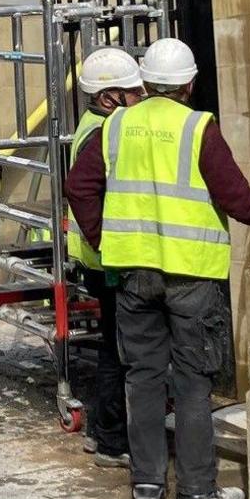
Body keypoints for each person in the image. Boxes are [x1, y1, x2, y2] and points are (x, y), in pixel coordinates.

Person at [65, 37, 250, 499]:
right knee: (191, 384)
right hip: (191, 276)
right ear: (190, 83)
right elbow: (237, 200)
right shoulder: (198, 128)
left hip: (134, 273)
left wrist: (105, 239)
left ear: (145, 82)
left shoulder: (117, 126)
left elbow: (79, 186)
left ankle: (147, 487)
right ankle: (195, 494)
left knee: (142, 378)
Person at [66, 47, 145, 469]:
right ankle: (110, 437)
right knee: (118, 350)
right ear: (108, 97)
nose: (141, 97)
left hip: (98, 255)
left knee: (113, 346)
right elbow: (85, 192)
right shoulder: (103, 133)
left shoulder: (93, 126)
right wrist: (104, 243)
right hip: (105, 258)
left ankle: (105, 432)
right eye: (133, 91)